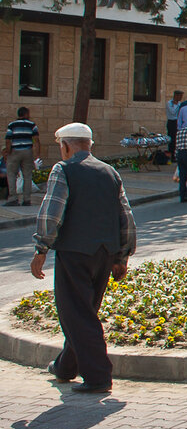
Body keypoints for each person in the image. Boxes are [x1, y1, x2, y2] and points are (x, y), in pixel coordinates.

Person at [30, 122, 136, 394]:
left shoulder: (63, 170)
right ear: (90, 145)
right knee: (84, 312)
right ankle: (66, 367)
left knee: (76, 314)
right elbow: (126, 216)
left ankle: (99, 377)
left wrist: (41, 248)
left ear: (65, 146)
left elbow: (51, 213)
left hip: (74, 252)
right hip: (104, 253)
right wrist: (122, 255)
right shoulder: (110, 172)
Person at [4, 107, 42, 206]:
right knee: (27, 176)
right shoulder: (32, 125)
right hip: (27, 151)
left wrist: (8, 152)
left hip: (15, 151)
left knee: (11, 174)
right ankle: (26, 199)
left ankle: (13, 198)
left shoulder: (12, 125)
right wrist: (37, 154)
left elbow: (8, 140)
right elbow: (36, 140)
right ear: (26, 114)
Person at [165, 90, 184, 160]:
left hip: (177, 122)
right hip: (171, 121)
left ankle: (176, 154)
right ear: (176, 95)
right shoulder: (169, 103)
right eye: (180, 96)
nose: (180, 98)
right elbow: (172, 112)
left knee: (177, 139)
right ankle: (171, 155)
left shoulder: (180, 103)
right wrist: (178, 106)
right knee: (172, 139)